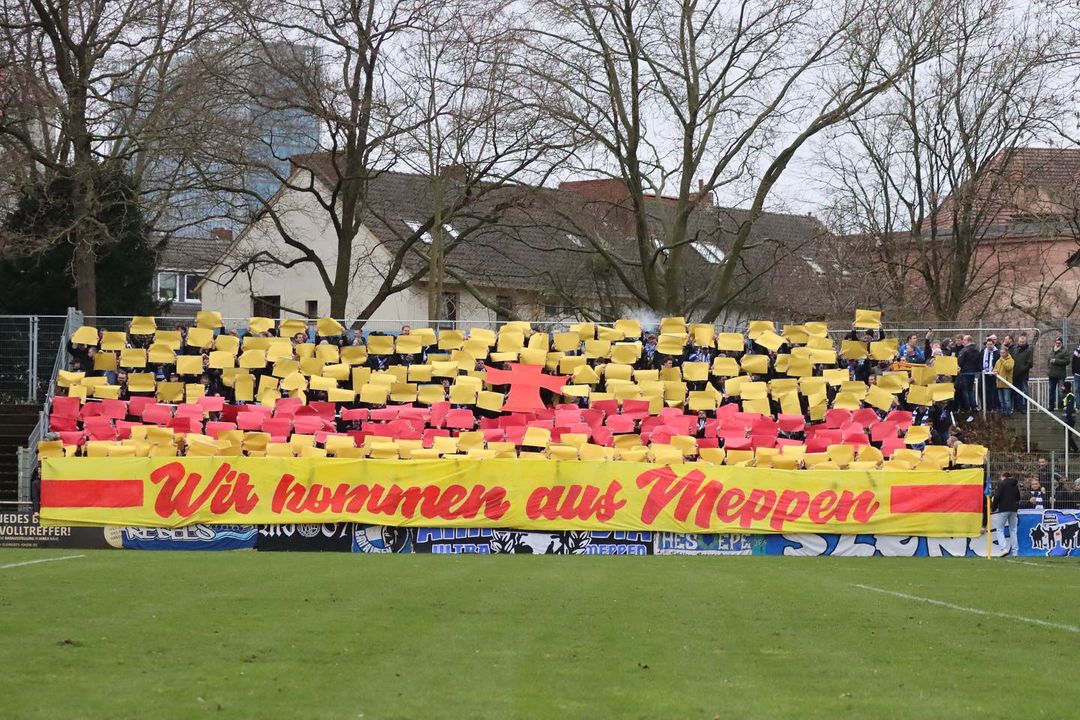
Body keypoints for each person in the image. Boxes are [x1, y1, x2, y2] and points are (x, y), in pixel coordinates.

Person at [991, 474, 1021, 557]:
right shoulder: (1015, 485)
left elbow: (997, 497)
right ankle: (1015, 552)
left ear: (1003, 477)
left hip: (1003, 509)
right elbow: (1018, 497)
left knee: (1000, 529)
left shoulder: (1002, 484)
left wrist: (994, 507)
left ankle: (1003, 548)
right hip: (1014, 510)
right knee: (1013, 530)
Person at [1011, 332, 1037, 411]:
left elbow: (1029, 363)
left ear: (1025, 342)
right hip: (1015, 375)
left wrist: (1022, 369)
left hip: (1023, 375)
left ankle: (1025, 407)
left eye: (1023, 342)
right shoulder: (1014, 349)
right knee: (1016, 391)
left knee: (1025, 391)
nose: (1021, 343)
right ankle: (1017, 407)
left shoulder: (1029, 350)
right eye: (1020, 342)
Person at [956, 335, 980, 414]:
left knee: (965, 390)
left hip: (964, 373)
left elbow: (960, 361)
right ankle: (974, 406)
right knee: (970, 390)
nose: (963, 342)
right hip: (972, 372)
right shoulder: (977, 350)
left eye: (964, 340)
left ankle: (967, 407)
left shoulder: (964, 350)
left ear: (968, 341)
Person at [1048, 336, 1069, 410]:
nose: (1057, 344)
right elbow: (1048, 361)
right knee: (1051, 391)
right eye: (1056, 343)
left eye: (1059, 343)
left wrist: (1056, 361)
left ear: (1061, 343)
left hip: (1061, 375)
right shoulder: (1051, 351)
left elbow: (1067, 361)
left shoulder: (1064, 351)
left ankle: (1061, 406)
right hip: (1051, 374)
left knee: (1061, 391)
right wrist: (1048, 370)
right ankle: (1051, 406)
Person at [993, 347, 1013, 416]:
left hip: (1006, 383)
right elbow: (995, 368)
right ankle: (1003, 412)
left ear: (1007, 353)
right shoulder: (998, 361)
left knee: (1007, 400)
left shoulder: (1010, 360)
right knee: (1001, 400)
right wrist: (995, 371)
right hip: (999, 383)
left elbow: (1008, 368)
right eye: (1001, 353)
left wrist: (1003, 361)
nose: (1001, 354)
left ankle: (1008, 413)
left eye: (1003, 353)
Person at [980, 337, 999, 412]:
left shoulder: (997, 352)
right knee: (986, 391)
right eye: (988, 344)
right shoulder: (983, 352)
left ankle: (994, 407)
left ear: (993, 344)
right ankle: (987, 407)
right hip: (985, 375)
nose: (989, 346)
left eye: (991, 344)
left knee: (994, 391)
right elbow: (979, 362)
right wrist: (982, 369)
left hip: (993, 375)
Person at [1063, 381, 1078, 453]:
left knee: (1067, 436)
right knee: (1067, 436)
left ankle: (1069, 450)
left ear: (1066, 387)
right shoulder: (1067, 396)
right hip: (1068, 419)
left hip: (1069, 420)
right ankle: (1073, 449)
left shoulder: (1070, 396)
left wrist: (1068, 419)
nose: (1062, 388)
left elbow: (1069, 408)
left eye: (1063, 387)